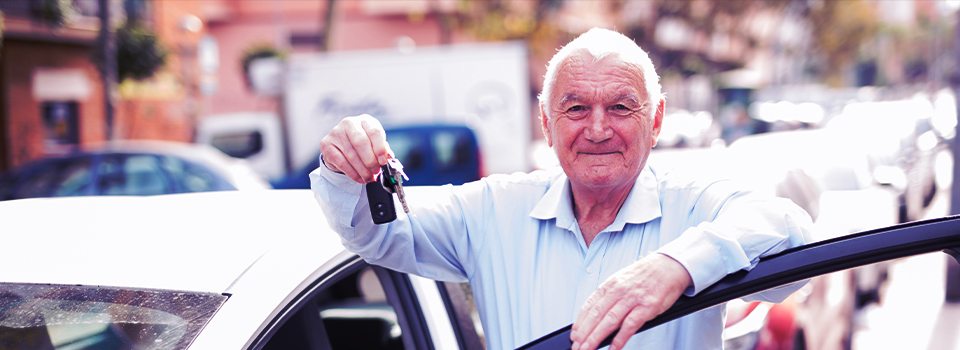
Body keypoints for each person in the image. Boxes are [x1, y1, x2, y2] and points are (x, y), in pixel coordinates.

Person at [312, 28, 811, 350]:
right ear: (546, 124)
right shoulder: (493, 209)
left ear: (656, 121)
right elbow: (374, 234)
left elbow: (792, 234)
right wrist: (343, 164)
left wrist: (677, 267)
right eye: (576, 109)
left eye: (621, 107)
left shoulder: (696, 205)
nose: (597, 129)